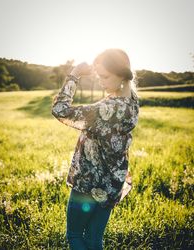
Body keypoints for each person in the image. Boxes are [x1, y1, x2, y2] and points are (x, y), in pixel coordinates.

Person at [51, 48, 139, 250]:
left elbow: (60, 110)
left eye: (105, 76)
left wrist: (74, 73)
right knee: (93, 239)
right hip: (112, 184)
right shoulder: (132, 103)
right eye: (99, 75)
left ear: (122, 74)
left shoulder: (105, 109)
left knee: (74, 235)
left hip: (88, 183)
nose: (100, 81)